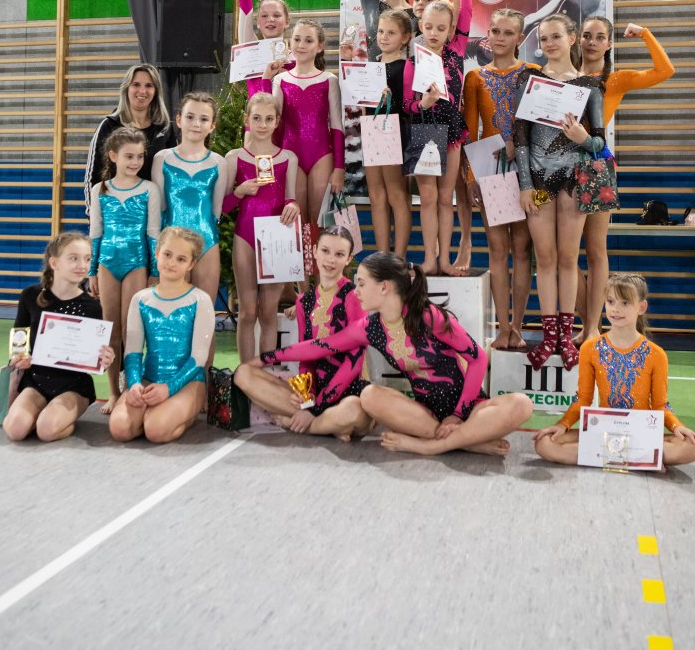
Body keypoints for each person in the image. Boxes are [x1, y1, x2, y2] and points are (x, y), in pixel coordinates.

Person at [256, 252, 532, 456]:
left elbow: (478, 358)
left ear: (384, 286)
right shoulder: (370, 327)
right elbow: (321, 346)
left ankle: (434, 446)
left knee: (521, 404)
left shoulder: (428, 316)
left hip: (468, 409)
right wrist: (267, 358)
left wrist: (459, 415)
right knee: (370, 396)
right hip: (424, 415)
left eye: (361, 284)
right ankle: (467, 442)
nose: (356, 291)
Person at [513, 13, 605, 371]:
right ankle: (548, 336)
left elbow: (599, 143)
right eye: (543, 39)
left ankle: (566, 336)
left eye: (555, 37)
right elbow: (521, 136)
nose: (549, 44)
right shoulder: (530, 80)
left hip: (573, 182)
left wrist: (584, 138)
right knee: (545, 258)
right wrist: (524, 184)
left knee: (568, 258)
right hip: (538, 183)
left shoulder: (589, 86)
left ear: (572, 39)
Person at [575, 19, 675, 343]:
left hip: (597, 165)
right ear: (577, 40)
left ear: (608, 44)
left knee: (596, 250)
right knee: (560, 257)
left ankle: (593, 328)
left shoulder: (615, 80)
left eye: (599, 37)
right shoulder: (563, 76)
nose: (592, 42)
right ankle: (585, 323)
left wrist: (645, 33)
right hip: (559, 166)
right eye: (587, 36)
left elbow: (665, 71)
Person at [534, 273, 695, 466]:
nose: (615, 309)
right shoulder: (590, 348)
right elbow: (583, 399)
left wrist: (677, 426)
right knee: (545, 443)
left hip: (640, 432)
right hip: (604, 428)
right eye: (610, 301)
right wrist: (563, 424)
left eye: (625, 303)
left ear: (641, 307)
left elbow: (660, 406)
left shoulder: (656, 354)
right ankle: (639, 459)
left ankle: (606, 455)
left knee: (690, 446)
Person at [234, 227, 372, 440]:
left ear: (348, 259)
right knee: (243, 373)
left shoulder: (354, 296)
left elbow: (354, 362)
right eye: (325, 251)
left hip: (349, 392)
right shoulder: (304, 302)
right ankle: (329, 424)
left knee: (353, 410)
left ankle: (309, 423)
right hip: (316, 394)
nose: (330, 260)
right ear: (314, 251)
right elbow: (305, 358)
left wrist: (315, 409)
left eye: (339, 254)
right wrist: (307, 396)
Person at [463, 9, 539, 350]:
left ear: (520, 38)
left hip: (527, 170)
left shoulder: (533, 72)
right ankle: (502, 327)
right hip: (491, 168)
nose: (499, 38)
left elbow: (540, 124)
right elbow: (470, 130)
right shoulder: (475, 77)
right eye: (495, 31)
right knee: (497, 249)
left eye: (508, 33)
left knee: (522, 249)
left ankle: (518, 327)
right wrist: (471, 176)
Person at [3, 233, 114, 442]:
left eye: (87, 259)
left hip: (73, 385)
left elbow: (96, 359)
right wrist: (19, 358)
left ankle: (57, 419)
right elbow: (19, 339)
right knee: (15, 430)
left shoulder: (92, 307)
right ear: (54, 263)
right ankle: (42, 413)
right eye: (74, 258)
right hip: (36, 379)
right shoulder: (30, 296)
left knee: (46, 430)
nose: (82, 265)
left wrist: (105, 360)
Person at [109, 227, 214, 444]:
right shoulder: (141, 299)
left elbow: (198, 358)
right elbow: (133, 352)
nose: (172, 263)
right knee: (120, 428)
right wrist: (135, 384)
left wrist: (169, 388)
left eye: (181, 259)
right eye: (167, 254)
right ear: (157, 253)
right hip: (149, 378)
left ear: (191, 264)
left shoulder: (200, 300)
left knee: (156, 430)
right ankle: (152, 413)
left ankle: (181, 414)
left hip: (188, 381)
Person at [88, 127, 161, 413]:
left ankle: (132, 385)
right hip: (107, 264)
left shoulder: (149, 189)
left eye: (140, 156)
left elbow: (153, 233)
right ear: (113, 156)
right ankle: (113, 391)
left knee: (132, 328)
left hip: (137, 264)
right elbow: (96, 233)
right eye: (129, 156)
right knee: (111, 329)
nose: (135, 162)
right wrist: (92, 271)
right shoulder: (100, 190)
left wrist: (154, 271)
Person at [403, 0, 472, 275]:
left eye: (441, 28)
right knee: (428, 198)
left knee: (446, 198)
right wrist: (423, 104)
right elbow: (406, 103)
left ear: (451, 30)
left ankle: (445, 259)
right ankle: (430, 259)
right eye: (429, 27)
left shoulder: (456, 51)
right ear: (421, 25)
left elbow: (466, 11)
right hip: (423, 128)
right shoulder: (413, 59)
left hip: (451, 129)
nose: (433, 33)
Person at [224, 92, 300, 360]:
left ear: (277, 121)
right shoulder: (234, 157)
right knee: (247, 312)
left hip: (276, 238)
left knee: (268, 312)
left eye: (269, 119)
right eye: (257, 118)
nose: (263, 124)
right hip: (245, 236)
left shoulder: (288, 158)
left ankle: (266, 372)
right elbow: (222, 206)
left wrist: (293, 206)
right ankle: (245, 372)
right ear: (247, 120)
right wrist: (239, 191)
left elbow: (290, 198)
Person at [151, 92, 227, 311]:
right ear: (178, 120)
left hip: (207, 242)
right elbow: (160, 208)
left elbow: (216, 211)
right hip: (172, 243)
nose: (196, 124)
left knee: (205, 312)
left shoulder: (219, 163)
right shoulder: (162, 159)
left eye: (204, 119)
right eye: (190, 117)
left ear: (212, 126)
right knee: (172, 311)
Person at [272, 19, 345, 226]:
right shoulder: (280, 80)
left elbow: (337, 127)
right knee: (296, 221)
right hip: (289, 153)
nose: (301, 45)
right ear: (289, 42)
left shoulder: (329, 80)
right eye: (296, 39)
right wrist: (274, 161)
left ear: (320, 46)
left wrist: (339, 168)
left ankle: (318, 250)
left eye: (308, 40)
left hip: (321, 155)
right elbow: (274, 125)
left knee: (318, 220)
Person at [84, 63, 175, 216]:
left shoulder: (165, 129)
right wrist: (94, 218)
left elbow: (172, 178)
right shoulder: (109, 126)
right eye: (136, 84)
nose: (142, 91)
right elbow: (92, 177)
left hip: (153, 218)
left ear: (156, 91)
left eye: (149, 85)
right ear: (127, 88)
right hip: (115, 216)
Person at [361, 8, 412, 258]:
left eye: (391, 33)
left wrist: (390, 97)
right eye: (381, 31)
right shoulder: (371, 67)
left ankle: (399, 257)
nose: (383, 36)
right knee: (376, 195)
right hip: (372, 130)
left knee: (396, 194)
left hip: (394, 131)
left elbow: (409, 105)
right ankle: (382, 255)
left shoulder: (406, 67)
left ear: (405, 38)